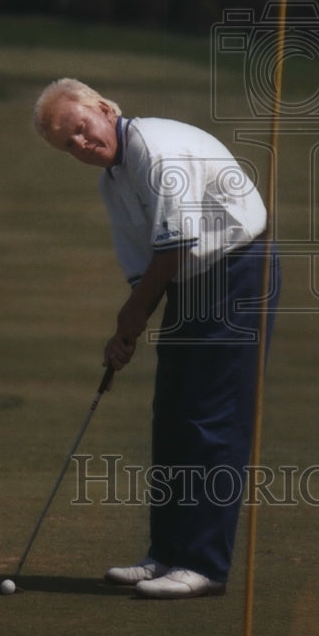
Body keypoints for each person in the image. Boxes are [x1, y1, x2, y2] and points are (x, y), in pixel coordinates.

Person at [32, 78, 280, 599]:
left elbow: (171, 251)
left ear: (102, 108)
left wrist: (132, 318)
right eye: (66, 144)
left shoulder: (153, 147)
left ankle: (204, 565)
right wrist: (130, 327)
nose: (80, 144)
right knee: (171, 416)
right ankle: (166, 553)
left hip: (237, 273)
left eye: (80, 129)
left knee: (212, 420)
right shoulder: (112, 182)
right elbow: (143, 269)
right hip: (190, 282)